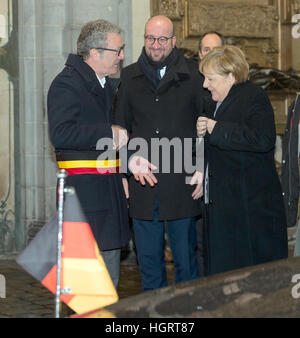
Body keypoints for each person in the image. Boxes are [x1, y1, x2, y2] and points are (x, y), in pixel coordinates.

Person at [115, 15, 205, 291]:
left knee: (186, 263)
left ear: (173, 41)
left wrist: (202, 168)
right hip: (143, 184)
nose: (155, 45)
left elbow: (203, 128)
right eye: (150, 38)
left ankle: (187, 315)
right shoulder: (129, 77)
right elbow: (119, 131)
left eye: (162, 39)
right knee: (149, 263)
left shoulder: (193, 75)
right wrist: (124, 172)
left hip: (183, 183)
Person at [47, 19, 130, 288]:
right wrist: (109, 132)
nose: (123, 56)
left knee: (107, 286)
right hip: (86, 203)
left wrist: (128, 164)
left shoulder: (104, 84)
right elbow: (62, 135)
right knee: (90, 292)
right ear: (95, 52)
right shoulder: (67, 84)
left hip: (107, 195)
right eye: (118, 50)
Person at [197, 45, 288, 275]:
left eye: (210, 79)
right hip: (224, 206)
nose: (205, 85)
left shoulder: (254, 97)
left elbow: (263, 139)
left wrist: (216, 128)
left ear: (231, 76)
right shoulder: (213, 102)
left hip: (250, 211)